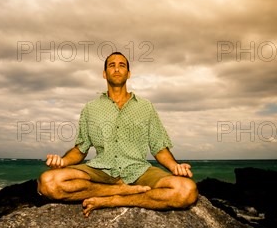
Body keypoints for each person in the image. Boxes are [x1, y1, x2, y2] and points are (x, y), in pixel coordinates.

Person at [37, 51, 198, 217]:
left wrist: (175, 167)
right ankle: (118, 189)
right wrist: (62, 161)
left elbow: (159, 148)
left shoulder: (146, 107)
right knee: (48, 183)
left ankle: (116, 200)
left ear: (128, 74)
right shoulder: (90, 108)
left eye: (122, 65)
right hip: (101, 170)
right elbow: (80, 149)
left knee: (187, 190)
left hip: (138, 170)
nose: (116, 69)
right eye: (111, 65)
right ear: (104, 73)